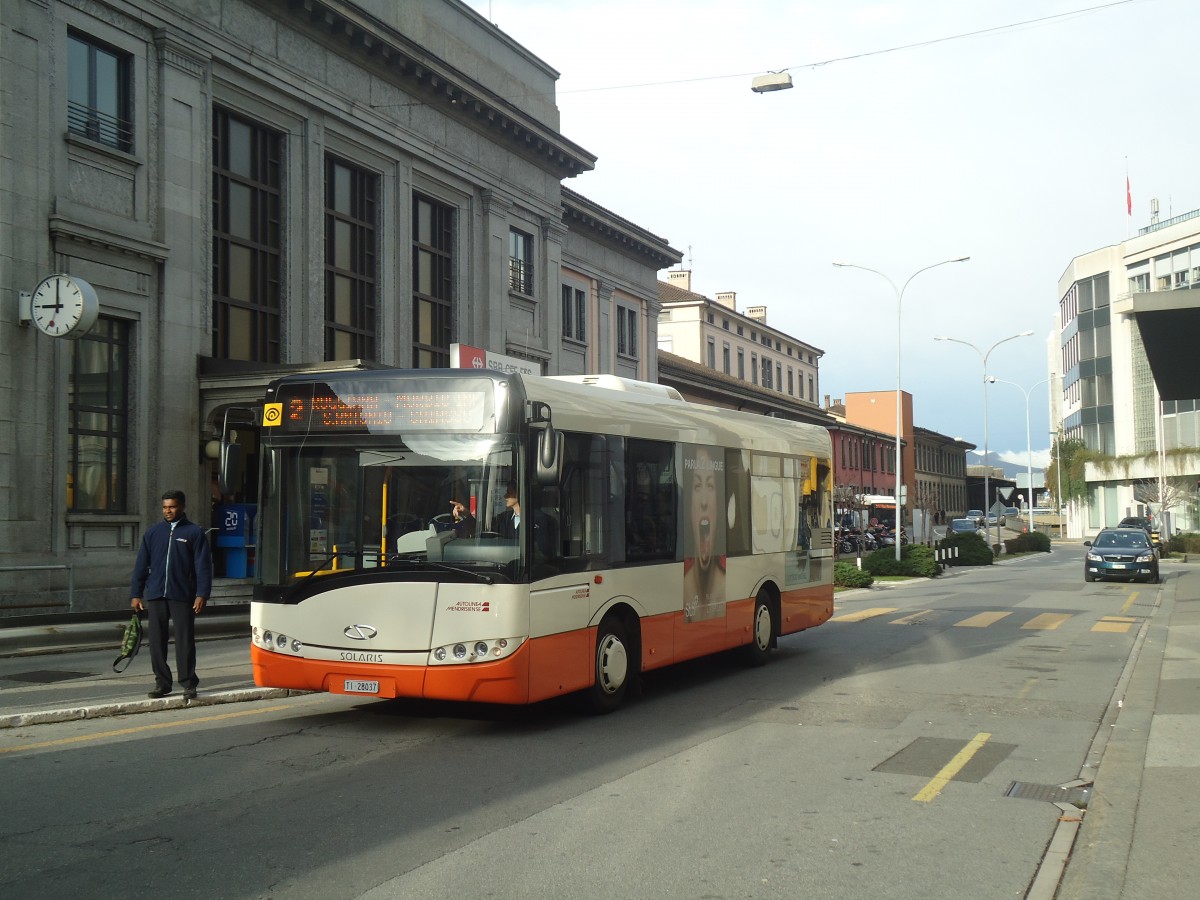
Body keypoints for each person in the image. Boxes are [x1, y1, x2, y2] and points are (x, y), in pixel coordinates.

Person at [130, 490, 212, 700]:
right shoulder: (153, 533)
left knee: (185, 640)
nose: (168, 511)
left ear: (182, 506)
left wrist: (202, 594)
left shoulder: (194, 532)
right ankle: (162, 683)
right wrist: (136, 594)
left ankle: (188, 682)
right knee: (156, 642)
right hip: (156, 594)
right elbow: (141, 565)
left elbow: (203, 567)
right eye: (165, 507)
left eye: (172, 507)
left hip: (182, 595)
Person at [682, 445, 726, 621]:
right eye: (697, 486)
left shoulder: (726, 587)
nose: (704, 502)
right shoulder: (681, 588)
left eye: (710, 485)